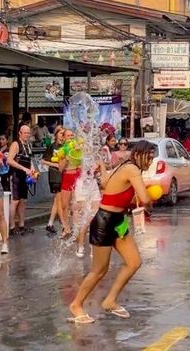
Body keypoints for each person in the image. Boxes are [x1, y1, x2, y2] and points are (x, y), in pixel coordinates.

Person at [67, 141, 156, 324]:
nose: (151, 161)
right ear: (140, 154)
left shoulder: (124, 166)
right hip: (104, 221)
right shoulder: (132, 169)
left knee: (134, 262)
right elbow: (145, 197)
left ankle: (110, 300)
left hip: (118, 221)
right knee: (99, 270)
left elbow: (106, 183)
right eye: (150, 156)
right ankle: (76, 304)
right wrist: (149, 201)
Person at [7, 124, 36, 234]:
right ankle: (12, 227)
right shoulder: (16, 144)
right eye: (25, 133)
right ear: (20, 133)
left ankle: (22, 225)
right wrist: (24, 169)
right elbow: (9, 160)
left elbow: (30, 160)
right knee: (15, 201)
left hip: (25, 175)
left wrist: (32, 170)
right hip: (16, 175)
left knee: (23, 201)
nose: (27, 135)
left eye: (29, 133)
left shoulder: (28, 145)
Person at [42, 126, 66, 235]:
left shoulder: (65, 146)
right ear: (56, 134)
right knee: (58, 198)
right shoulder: (52, 146)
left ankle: (51, 223)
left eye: (64, 133)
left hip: (64, 174)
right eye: (61, 133)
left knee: (58, 200)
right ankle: (62, 224)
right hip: (55, 174)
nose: (62, 136)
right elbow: (43, 161)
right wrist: (56, 165)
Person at [58, 129, 79, 240]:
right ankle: (66, 228)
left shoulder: (78, 148)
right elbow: (60, 169)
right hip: (66, 176)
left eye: (72, 135)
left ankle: (76, 229)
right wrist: (66, 157)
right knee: (64, 205)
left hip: (76, 176)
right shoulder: (62, 150)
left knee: (75, 205)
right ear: (64, 137)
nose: (70, 137)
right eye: (68, 135)